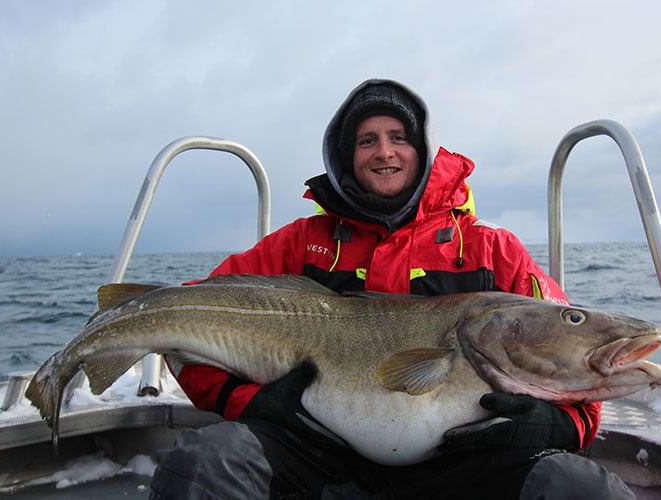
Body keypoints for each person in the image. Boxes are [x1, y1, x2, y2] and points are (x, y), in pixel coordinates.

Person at [150, 79, 634, 499]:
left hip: (463, 470)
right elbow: (188, 317)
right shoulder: (300, 244)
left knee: (582, 489)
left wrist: (556, 424)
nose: (384, 151)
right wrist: (248, 402)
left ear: (422, 149)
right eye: (367, 140)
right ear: (347, 155)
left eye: (399, 137)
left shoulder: (492, 251)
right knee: (206, 464)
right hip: (316, 456)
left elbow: (577, 372)